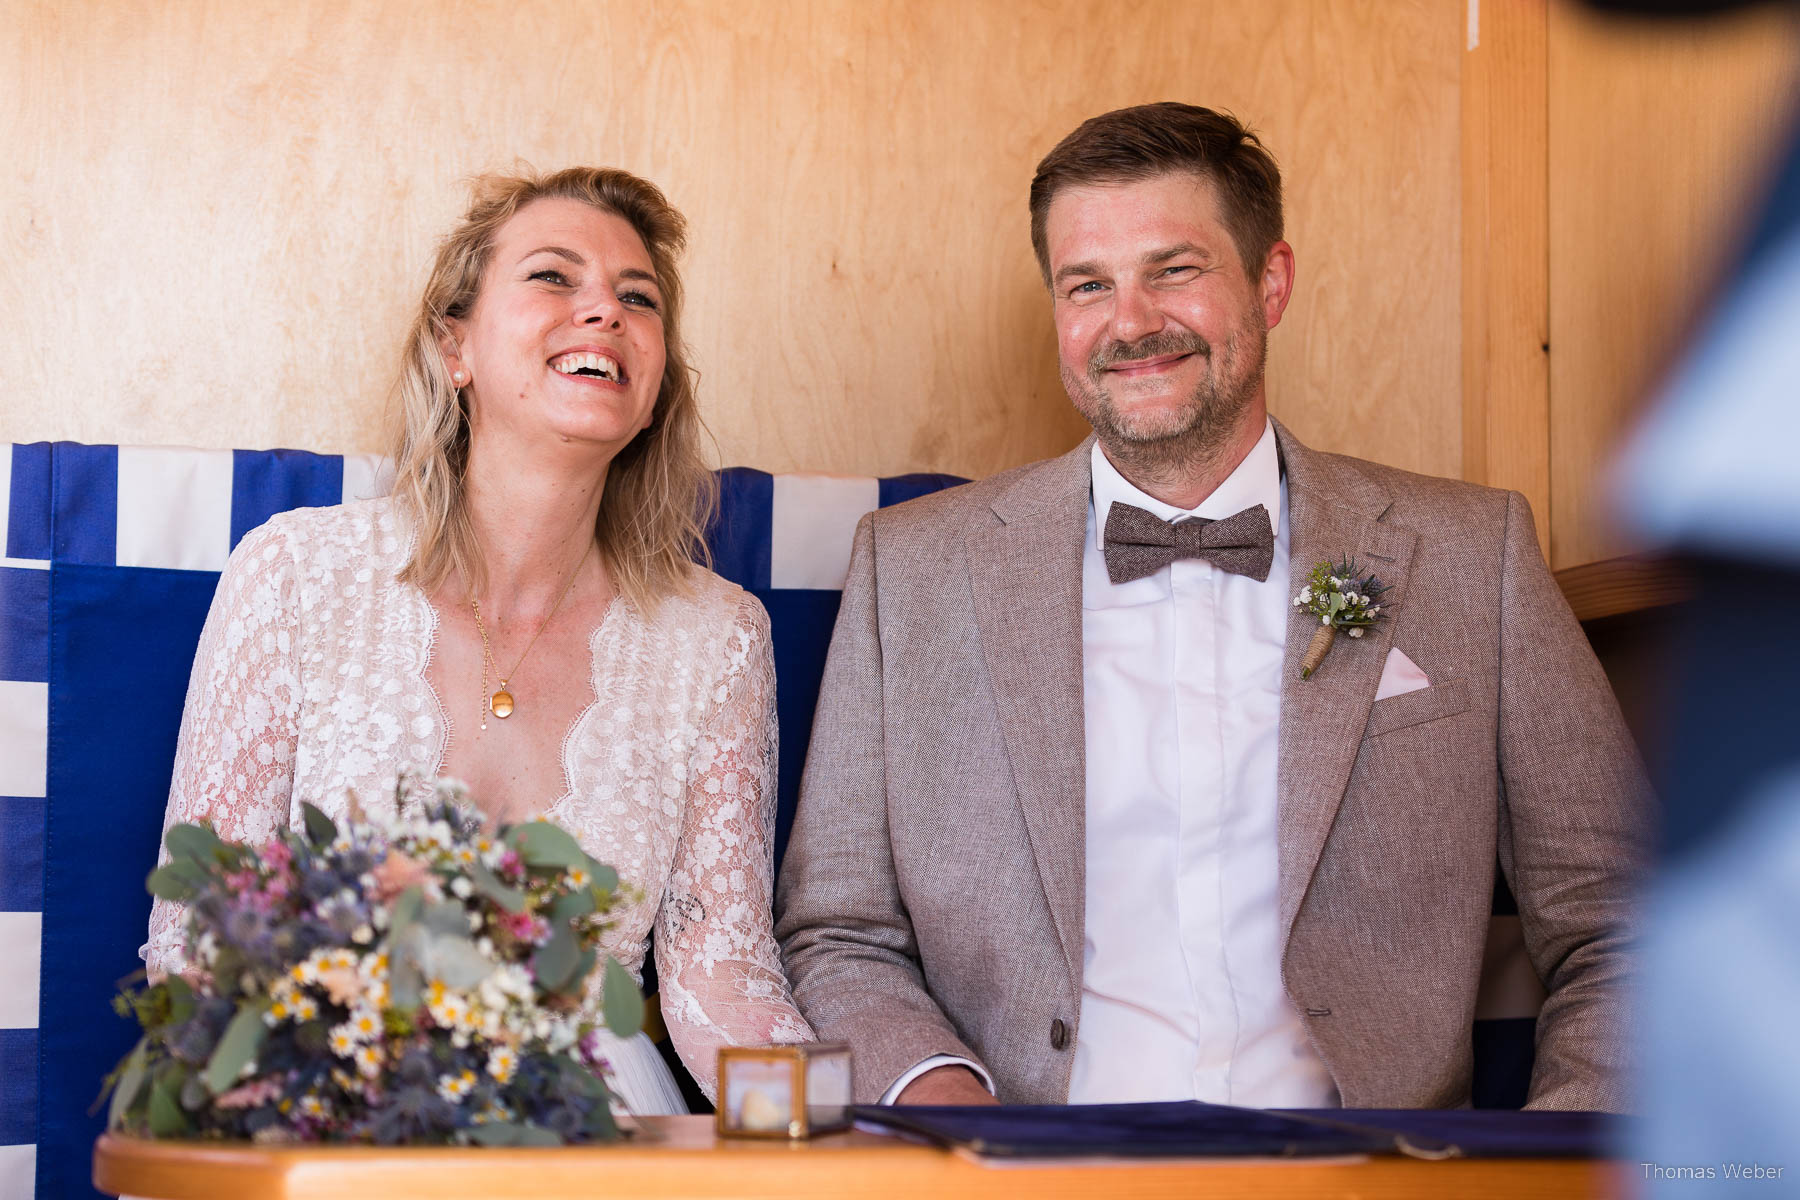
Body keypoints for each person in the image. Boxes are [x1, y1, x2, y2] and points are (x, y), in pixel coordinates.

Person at [776, 103, 1649, 1110]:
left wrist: (1555, 1154)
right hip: (1029, 1175)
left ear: (1270, 282)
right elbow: (837, 932)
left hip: (1373, 1179)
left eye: (1174, 269)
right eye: (1087, 285)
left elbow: (1621, 920)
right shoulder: (911, 572)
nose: (1131, 322)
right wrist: (964, 1134)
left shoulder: (1470, 556)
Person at [144, 166, 811, 1113]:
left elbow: (718, 976)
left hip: (588, 1118)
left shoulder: (720, 639)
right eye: (553, 277)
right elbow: (200, 928)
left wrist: (836, 1145)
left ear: (655, 386)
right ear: (453, 344)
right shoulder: (292, 575)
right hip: (319, 1097)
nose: (605, 313)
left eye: (638, 298)